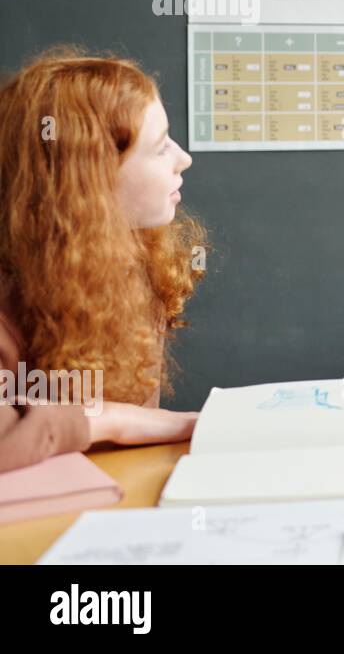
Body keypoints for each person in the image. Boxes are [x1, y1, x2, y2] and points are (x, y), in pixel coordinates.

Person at [0, 49, 204, 472]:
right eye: (161, 146)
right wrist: (108, 417)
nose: (183, 159)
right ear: (90, 177)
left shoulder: (135, 259)